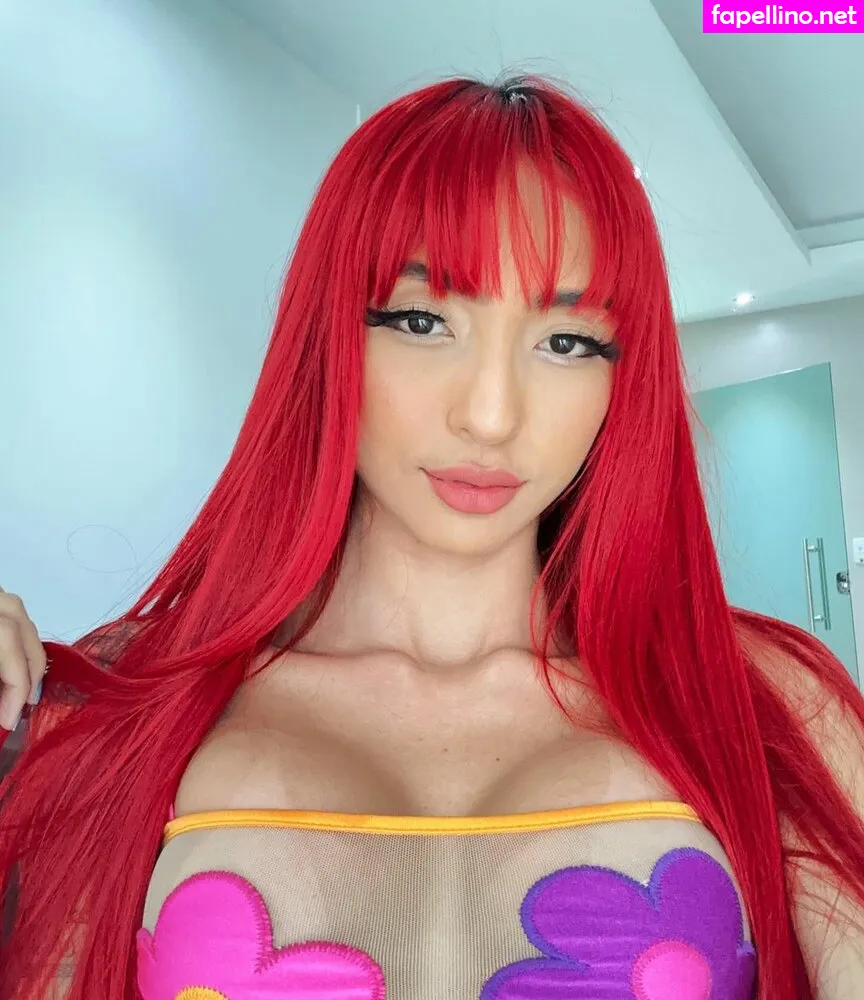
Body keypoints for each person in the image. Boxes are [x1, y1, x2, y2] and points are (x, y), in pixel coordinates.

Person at [1, 74, 863, 1000]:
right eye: (422, 321)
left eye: (567, 342)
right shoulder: (117, 703)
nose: (490, 416)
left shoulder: (769, 703)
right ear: (329, 337)